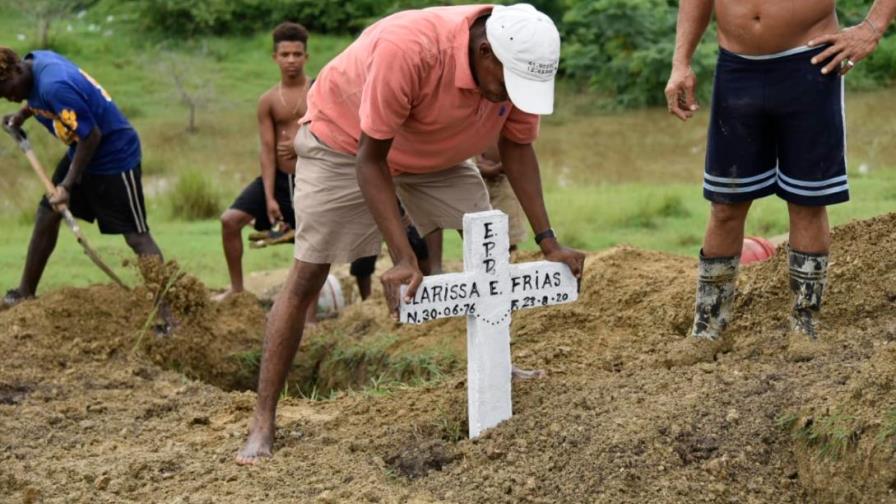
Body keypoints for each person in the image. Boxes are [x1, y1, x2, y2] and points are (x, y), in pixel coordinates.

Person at [236, 4, 585, 464]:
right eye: (507, 84)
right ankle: (263, 420)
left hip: (433, 153)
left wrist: (549, 240)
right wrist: (404, 256)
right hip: (344, 144)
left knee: (489, 244)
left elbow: (517, 147)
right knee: (308, 274)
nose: (512, 95)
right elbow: (371, 159)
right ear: (485, 53)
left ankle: (496, 365)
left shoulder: (511, 66)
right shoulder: (411, 49)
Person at [664, 0, 896, 364]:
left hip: (811, 63)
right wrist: (681, 63)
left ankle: (804, 325)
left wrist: (872, 28)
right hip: (737, 68)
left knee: (806, 202)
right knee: (725, 204)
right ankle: (708, 329)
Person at [0, 47, 169, 325]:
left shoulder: (56, 85)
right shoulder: (34, 65)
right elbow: (37, 98)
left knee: (136, 236)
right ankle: (24, 292)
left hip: (114, 156)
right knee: (47, 213)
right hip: (80, 152)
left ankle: (167, 318)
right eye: (4, 97)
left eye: (8, 90)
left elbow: (91, 136)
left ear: (17, 69)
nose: (10, 97)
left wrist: (67, 185)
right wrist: (21, 115)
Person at [215, 22, 309, 302]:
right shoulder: (268, 100)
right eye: (285, 55)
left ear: (306, 57)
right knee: (230, 221)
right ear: (275, 58)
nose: (291, 60)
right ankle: (237, 290)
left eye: (297, 54)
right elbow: (267, 150)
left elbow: (332, 136)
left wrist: (302, 146)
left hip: (311, 178)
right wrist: (268, 196)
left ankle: (310, 316)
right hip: (279, 179)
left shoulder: (318, 90)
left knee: (311, 241)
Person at [474, 142, 528, 251]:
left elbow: (519, 151)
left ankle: (510, 263)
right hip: (478, 179)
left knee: (507, 233)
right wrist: (477, 160)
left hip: (505, 179)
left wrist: (497, 168)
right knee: (482, 232)